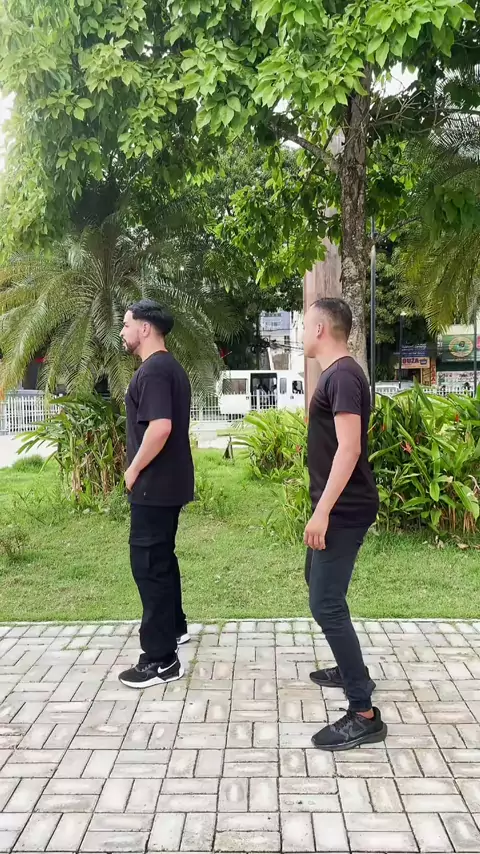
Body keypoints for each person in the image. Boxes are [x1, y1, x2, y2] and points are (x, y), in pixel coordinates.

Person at [303, 298, 387, 750]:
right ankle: (349, 666)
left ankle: (363, 712)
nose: (301, 332)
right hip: (338, 506)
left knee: (326, 603)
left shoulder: (342, 377)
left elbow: (349, 448)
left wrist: (323, 511)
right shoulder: (338, 375)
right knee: (317, 583)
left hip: (343, 509)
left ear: (320, 328)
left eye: (304, 324)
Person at [118, 299, 194, 689]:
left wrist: (133, 469)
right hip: (167, 485)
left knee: (149, 566)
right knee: (162, 560)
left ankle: (161, 660)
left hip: (154, 485)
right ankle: (175, 628)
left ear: (145, 328)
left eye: (126, 324)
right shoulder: (169, 368)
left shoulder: (154, 370)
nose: (122, 332)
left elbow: (160, 427)